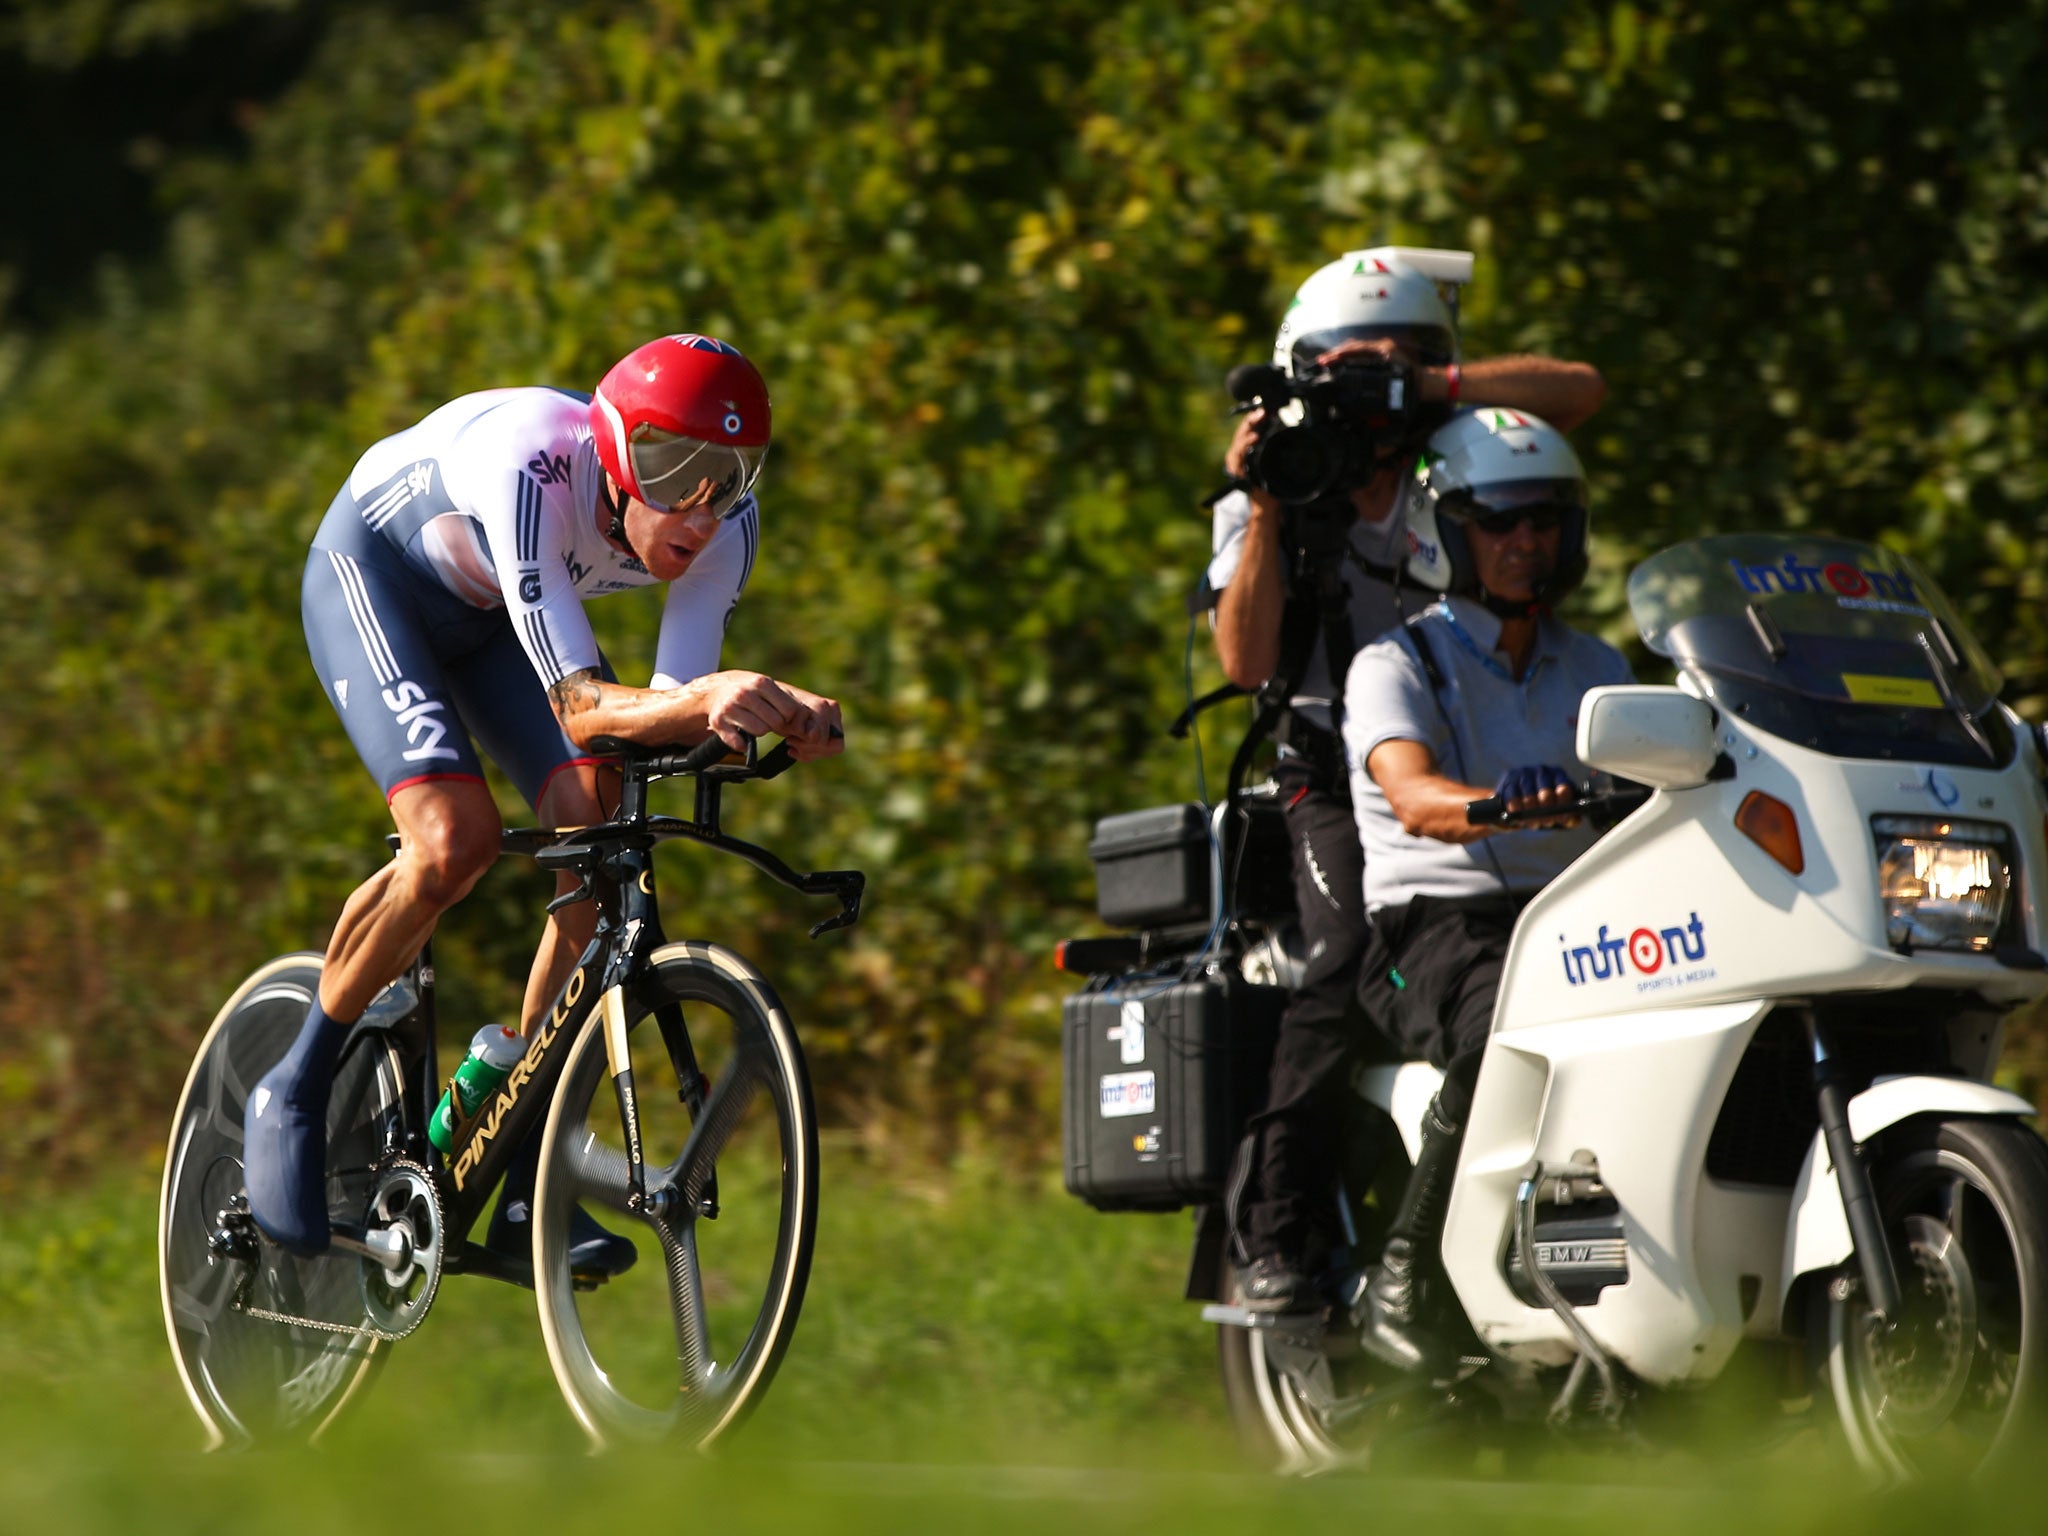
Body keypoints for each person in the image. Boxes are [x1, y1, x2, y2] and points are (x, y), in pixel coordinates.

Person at [243, 333, 844, 1271]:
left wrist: (772, 713)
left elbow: (663, 715)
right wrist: (715, 695)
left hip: (492, 619)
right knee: (452, 842)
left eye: (728, 474)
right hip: (377, 574)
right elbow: (580, 704)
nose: (699, 504)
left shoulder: (727, 526)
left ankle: (519, 1149)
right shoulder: (534, 463)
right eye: (668, 466)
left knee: (605, 826)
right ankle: (295, 1084)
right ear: (609, 448)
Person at [1210, 248, 1606, 1312]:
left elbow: (1581, 393)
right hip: (1331, 772)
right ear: (1303, 371)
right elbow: (1243, 664)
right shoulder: (1274, 480)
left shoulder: (1466, 461)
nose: (1372, 385)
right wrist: (1262, 507)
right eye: (1349, 364)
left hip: (1485, 747)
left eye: (1405, 358)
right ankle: (1277, 1233)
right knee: (1340, 959)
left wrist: (1431, 392)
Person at [1340, 407, 1632, 1370]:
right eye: (1499, 522)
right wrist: (1500, 807)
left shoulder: (1601, 668)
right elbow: (1414, 797)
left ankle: (1598, 1313)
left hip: (1568, 918)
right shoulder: (1394, 664)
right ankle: (1405, 1268)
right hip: (1428, 931)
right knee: (1504, 1023)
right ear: (1446, 534)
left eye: (1544, 521)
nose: (1525, 542)